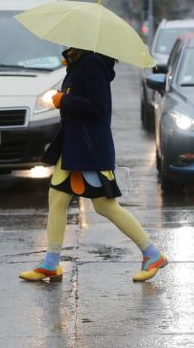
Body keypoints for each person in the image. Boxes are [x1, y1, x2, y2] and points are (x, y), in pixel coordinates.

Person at [19, 48, 167, 283]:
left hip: (89, 149)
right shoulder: (80, 62)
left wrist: (63, 100)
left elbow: (98, 106)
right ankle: (50, 263)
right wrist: (62, 96)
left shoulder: (92, 63)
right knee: (57, 199)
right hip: (74, 147)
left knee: (105, 207)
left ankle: (152, 254)